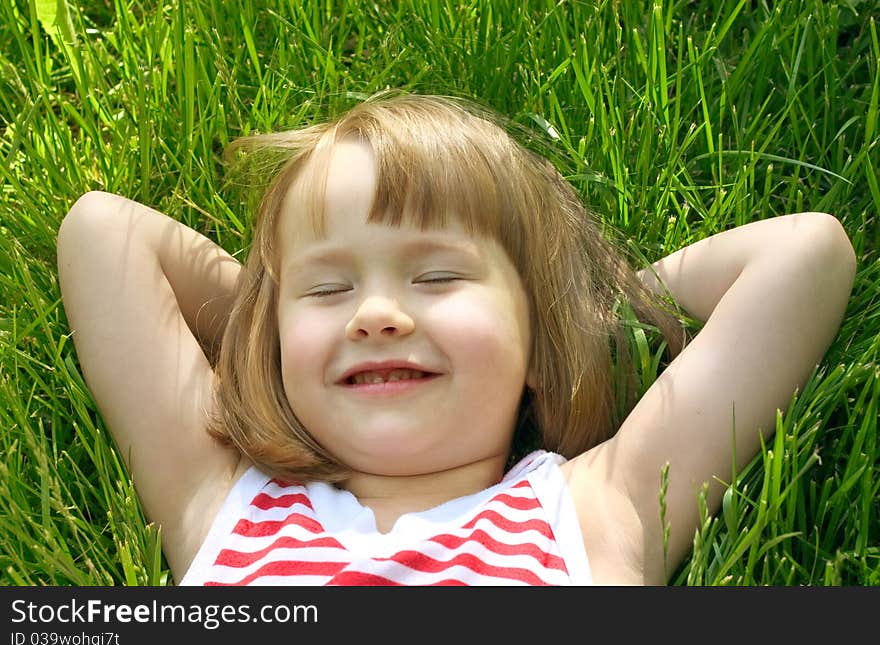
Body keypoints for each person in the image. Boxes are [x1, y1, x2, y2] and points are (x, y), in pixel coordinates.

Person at [55, 91, 856, 585]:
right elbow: (101, 233)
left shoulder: (597, 512)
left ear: (537, 347)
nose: (375, 315)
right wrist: (271, 337)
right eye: (329, 290)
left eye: (437, 279)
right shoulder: (223, 507)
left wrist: (579, 328)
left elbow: (805, 255)